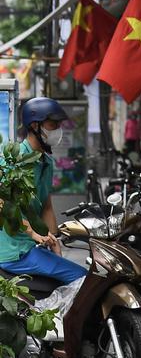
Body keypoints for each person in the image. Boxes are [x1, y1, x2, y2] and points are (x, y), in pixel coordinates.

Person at [0, 98, 87, 285]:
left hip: (32, 247)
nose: (58, 130)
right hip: (14, 251)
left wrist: (54, 238)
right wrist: (32, 233)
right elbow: (2, 203)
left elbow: (46, 206)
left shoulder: (46, 162)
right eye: (52, 125)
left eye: (59, 125)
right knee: (83, 278)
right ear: (34, 125)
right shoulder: (13, 159)